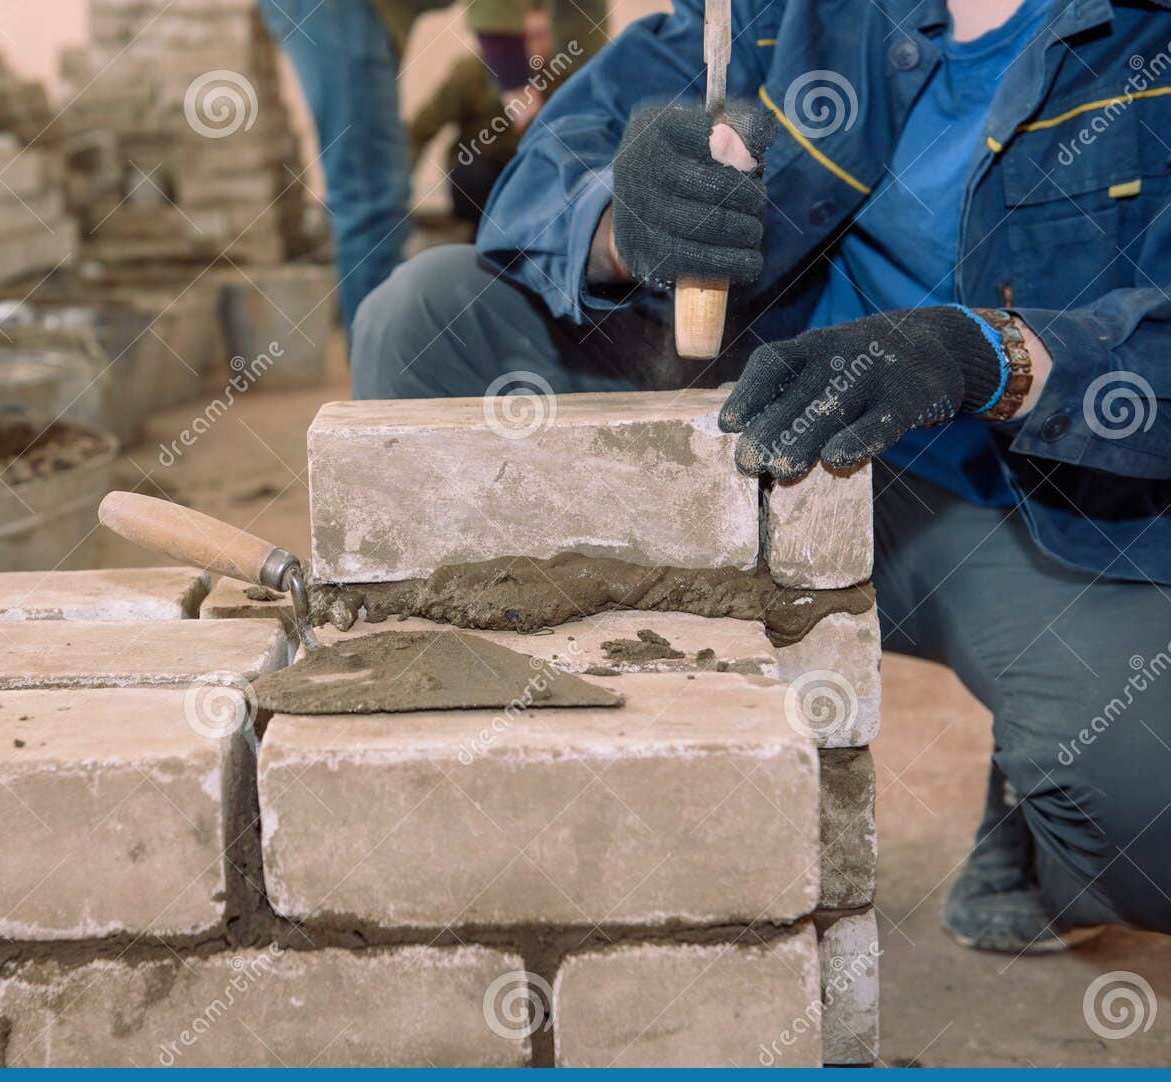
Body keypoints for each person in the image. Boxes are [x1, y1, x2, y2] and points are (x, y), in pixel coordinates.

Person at [351, 0, 1171, 953]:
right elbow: (549, 167)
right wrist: (626, 224)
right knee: (427, 321)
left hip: (1015, 510)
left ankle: (1038, 817)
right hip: (768, 445)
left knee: (1146, 800)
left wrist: (991, 357)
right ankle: (542, 760)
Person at [256, 0, 607, 330]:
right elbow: (425, 126)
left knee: (377, 191)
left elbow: (585, 38)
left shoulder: (560, 67)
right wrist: (518, 89)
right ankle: (379, 383)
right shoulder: (472, 74)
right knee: (371, 197)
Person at [407, 10, 559, 227]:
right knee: (473, 174)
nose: (531, 47)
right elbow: (422, 128)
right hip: (481, 172)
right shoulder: (472, 73)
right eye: (523, 38)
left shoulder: (561, 76)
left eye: (540, 36)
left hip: (532, 173)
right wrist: (394, 190)